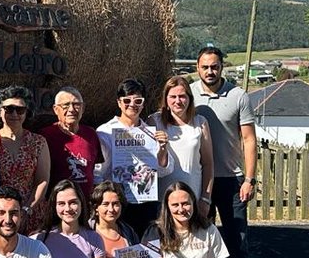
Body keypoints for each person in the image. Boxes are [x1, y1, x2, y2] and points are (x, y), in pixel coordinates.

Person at [190, 46, 260, 258]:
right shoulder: (190, 94)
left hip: (231, 179)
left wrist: (250, 178)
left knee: (237, 239)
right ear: (198, 67)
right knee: (200, 241)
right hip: (198, 180)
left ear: (222, 67)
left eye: (215, 66)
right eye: (205, 66)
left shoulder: (238, 96)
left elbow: (249, 139)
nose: (210, 71)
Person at [94, 79, 172, 236]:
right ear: (119, 102)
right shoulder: (105, 132)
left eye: (138, 100)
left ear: (143, 103)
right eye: (127, 100)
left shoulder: (151, 133)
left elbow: (165, 171)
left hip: (146, 202)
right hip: (118, 203)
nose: (132, 105)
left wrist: (163, 148)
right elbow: (98, 173)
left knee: (147, 249)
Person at [150, 75, 214, 219]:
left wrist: (205, 198)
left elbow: (208, 164)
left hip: (191, 199)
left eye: (182, 96)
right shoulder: (154, 121)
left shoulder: (200, 123)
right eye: (173, 96)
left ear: (189, 98)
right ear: (166, 99)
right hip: (161, 200)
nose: (177, 101)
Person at [0, 86, 51, 233]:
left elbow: (42, 179)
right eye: (9, 109)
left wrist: (26, 209)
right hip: (1, 214)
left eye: (20, 110)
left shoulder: (38, 142)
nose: (14, 114)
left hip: (31, 212)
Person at [41, 86, 102, 199]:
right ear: (55, 109)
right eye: (66, 105)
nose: (71, 109)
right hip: (59, 205)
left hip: (86, 203)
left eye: (76, 105)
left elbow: (96, 168)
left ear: (83, 108)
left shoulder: (91, 134)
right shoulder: (46, 136)